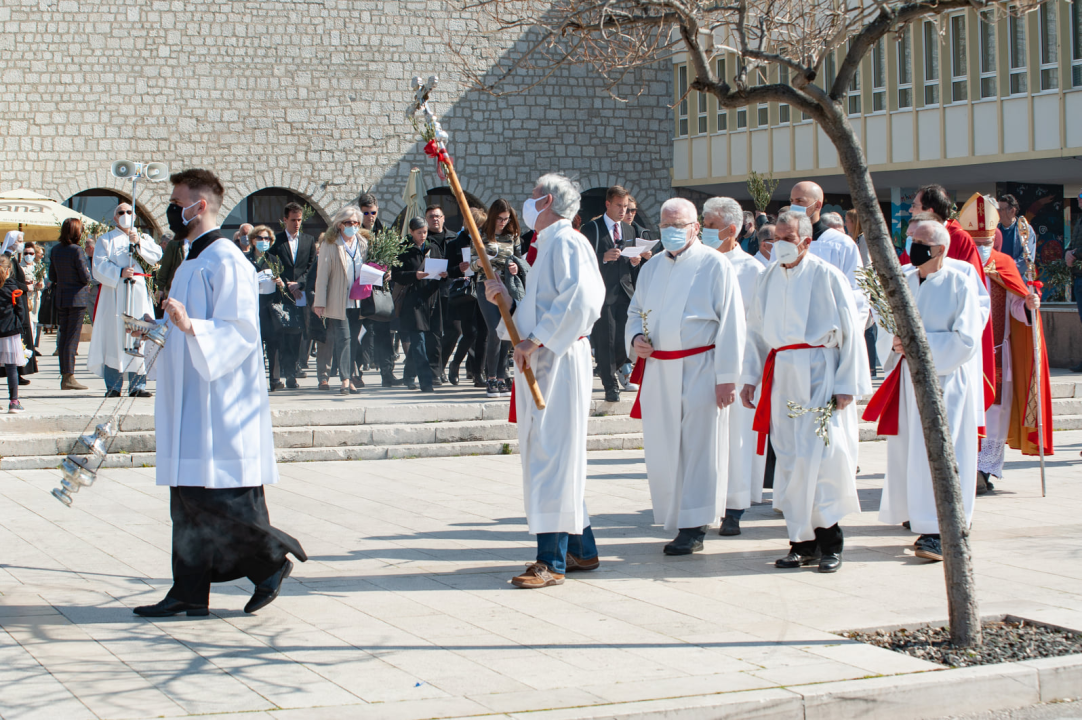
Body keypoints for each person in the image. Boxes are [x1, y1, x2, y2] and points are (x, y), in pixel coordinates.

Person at [134, 168, 306, 618]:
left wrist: (193, 327)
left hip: (220, 407)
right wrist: (156, 330)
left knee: (219, 500)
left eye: (178, 201)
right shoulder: (191, 259)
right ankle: (188, 592)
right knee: (187, 501)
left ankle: (270, 563)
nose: (173, 209)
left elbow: (241, 331)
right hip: (190, 400)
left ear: (200, 205)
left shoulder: (228, 259)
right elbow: (185, 325)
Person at [483, 173, 605, 588]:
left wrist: (536, 339)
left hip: (560, 357)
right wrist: (506, 299)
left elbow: (583, 299)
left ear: (548, 200)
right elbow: (542, 306)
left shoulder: (568, 241)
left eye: (533, 196)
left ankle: (549, 562)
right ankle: (581, 549)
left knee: (553, 454)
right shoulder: (548, 244)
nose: (527, 203)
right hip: (543, 357)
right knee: (551, 453)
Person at [739, 211, 871, 573]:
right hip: (782, 373)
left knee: (822, 456)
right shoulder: (767, 278)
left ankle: (831, 541)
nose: (778, 244)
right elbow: (755, 332)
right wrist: (750, 377)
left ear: (807, 241)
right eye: (775, 238)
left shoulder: (827, 276)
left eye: (787, 238)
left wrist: (847, 384)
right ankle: (801, 541)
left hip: (819, 372)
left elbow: (849, 331)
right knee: (791, 457)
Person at [626, 197, 745, 554]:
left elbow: (732, 323)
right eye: (665, 226)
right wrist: (635, 338)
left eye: (678, 226)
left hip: (700, 367)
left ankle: (695, 526)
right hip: (660, 368)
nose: (671, 232)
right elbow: (635, 311)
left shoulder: (715, 264)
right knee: (663, 445)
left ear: (695, 228)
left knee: (699, 447)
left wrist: (727, 377)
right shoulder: (651, 268)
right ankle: (674, 513)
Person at [871, 217, 984, 562]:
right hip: (907, 377)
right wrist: (893, 342)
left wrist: (918, 345)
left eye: (920, 242)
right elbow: (882, 321)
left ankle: (939, 527)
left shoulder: (959, 282)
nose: (912, 248)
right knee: (909, 450)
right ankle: (915, 514)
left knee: (939, 450)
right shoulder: (902, 280)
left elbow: (966, 338)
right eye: (910, 240)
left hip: (945, 380)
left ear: (940, 249)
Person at [958, 194, 1053, 494]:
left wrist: (1028, 303)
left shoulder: (1004, 263)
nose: (981, 252)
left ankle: (984, 470)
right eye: (976, 245)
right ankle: (962, 465)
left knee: (995, 412)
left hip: (999, 352)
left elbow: (1016, 308)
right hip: (962, 352)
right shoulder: (955, 264)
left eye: (986, 245)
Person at [701, 197, 765, 537]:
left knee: (736, 439)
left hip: (739, 366)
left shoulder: (751, 270)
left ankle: (734, 507)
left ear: (731, 229)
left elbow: (756, 329)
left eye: (710, 226)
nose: (704, 231)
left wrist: (751, 375)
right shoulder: (697, 264)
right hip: (700, 364)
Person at [911, 184, 995, 411]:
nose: (911, 211)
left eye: (914, 205)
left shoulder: (959, 239)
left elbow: (976, 300)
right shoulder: (917, 237)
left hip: (949, 351)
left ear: (928, 209)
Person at [86, 203, 162, 397]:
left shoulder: (142, 237)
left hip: (136, 291)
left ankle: (138, 386)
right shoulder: (106, 240)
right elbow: (99, 266)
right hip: (115, 293)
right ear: (115, 217)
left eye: (129, 212)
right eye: (121, 212)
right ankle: (113, 386)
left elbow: (156, 256)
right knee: (115, 337)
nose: (125, 215)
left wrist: (138, 243)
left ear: (134, 216)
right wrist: (119, 272)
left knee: (139, 333)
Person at [582, 185, 644, 402]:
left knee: (622, 339)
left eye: (626, 206)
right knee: (605, 339)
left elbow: (630, 263)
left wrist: (635, 261)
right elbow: (582, 260)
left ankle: (616, 368)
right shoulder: (592, 229)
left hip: (625, 292)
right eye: (619, 205)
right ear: (608, 204)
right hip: (602, 292)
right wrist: (603, 257)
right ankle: (610, 385)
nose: (623, 211)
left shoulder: (629, 230)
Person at [473, 199, 528, 398]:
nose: (503, 222)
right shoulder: (480, 235)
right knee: (495, 330)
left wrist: (515, 266)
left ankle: (503, 375)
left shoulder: (512, 236)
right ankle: (492, 377)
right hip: (486, 286)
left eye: (506, 219)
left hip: (507, 286)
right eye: (499, 219)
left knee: (508, 329)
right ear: (492, 217)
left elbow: (521, 260)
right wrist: (479, 262)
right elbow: (470, 264)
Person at [789, 182, 868, 320]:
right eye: (792, 201)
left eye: (800, 201)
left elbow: (856, 290)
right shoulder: (785, 242)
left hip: (831, 327)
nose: (794, 206)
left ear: (817, 205)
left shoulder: (841, 243)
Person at [313, 206, 368, 395]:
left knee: (353, 340)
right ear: (339, 224)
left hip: (358, 300)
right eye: (348, 222)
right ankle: (345, 379)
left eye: (355, 223)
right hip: (338, 299)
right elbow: (322, 276)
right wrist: (319, 302)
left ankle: (350, 378)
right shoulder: (330, 244)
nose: (352, 226)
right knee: (343, 338)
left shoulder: (363, 242)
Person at [392, 218, 446, 392]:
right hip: (412, 300)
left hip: (431, 299)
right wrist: (415, 275)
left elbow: (441, 267)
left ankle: (408, 375)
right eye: (419, 232)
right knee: (418, 341)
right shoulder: (404, 249)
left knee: (425, 340)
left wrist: (444, 274)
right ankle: (426, 381)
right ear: (411, 231)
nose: (423, 236)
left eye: (425, 232)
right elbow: (396, 274)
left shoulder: (433, 247)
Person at [268, 202, 315, 388]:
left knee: (297, 335)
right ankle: (284, 373)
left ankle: (292, 371)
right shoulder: (276, 241)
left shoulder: (308, 240)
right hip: (282, 294)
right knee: (282, 335)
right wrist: (287, 284)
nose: (297, 223)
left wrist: (300, 284)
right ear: (285, 220)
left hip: (301, 294)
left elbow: (311, 266)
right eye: (293, 220)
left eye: (299, 220)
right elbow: (271, 264)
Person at [445, 207, 486, 387]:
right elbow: (447, 270)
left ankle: (479, 373)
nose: (478, 228)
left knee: (484, 332)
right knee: (470, 332)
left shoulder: (486, 242)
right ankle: (455, 364)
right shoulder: (455, 243)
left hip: (484, 288)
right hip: (466, 292)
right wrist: (458, 269)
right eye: (476, 224)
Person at [50, 218, 92, 390]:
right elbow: (85, 276)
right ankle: (68, 376)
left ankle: (65, 375)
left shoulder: (55, 250)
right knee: (72, 338)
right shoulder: (77, 250)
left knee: (64, 336)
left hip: (62, 297)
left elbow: (52, 276)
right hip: (77, 299)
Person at [358, 193, 396, 387]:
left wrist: (389, 271)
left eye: (373, 212)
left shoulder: (384, 232)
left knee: (383, 332)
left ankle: (387, 373)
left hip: (380, 290)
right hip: (360, 290)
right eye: (366, 213)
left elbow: (392, 259)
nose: (370, 216)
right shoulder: (354, 232)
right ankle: (357, 372)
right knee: (360, 332)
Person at [424, 205, 457, 384]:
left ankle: (441, 365)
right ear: (426, 219)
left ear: (443, 218)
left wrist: (451, 272)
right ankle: (435, 370)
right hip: (432, 291)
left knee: (454, 330)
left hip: (452, 290)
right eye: (431, 217)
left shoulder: (454, 238)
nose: (435, 219)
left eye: (437, 216)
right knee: (434, 332)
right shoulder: (424, 238)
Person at [0, 256, 27, 413]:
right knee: (11, 368)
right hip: (10, 330)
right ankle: (14, 401)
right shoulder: (13, 286)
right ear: (9, 270)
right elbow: (21, 310)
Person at [997, 194, 1033, 275]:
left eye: (1001, 209)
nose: (998, 213)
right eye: (997, 209)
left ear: (1012, 211)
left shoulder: (1025, 229)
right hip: (998, 278)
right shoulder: (995, 230)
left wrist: (1006, 268)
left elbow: (1027, 258)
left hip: (1018, 278)